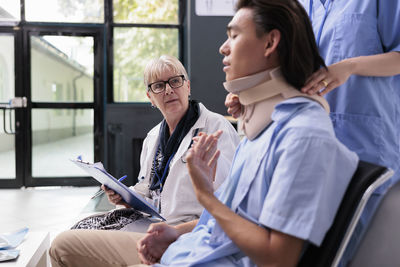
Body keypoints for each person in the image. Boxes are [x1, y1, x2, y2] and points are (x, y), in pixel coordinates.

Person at [49, 1, 358, 266]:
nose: (223, 47)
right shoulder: (261, 132)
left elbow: (278, 258)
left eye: (234, 35)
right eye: (158, 86)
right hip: (191, 245)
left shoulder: (303, 136)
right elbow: (227, 216)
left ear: (270, 42)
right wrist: (176, 233)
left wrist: (205, 196)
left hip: (208, 257)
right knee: (64, 243)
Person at [71, 55, 239, 232]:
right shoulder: (153, 137)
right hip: (155, 223)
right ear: (150, 97)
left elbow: (228, 199)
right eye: (158, 86)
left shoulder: (216, 128)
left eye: (175, 81)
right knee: (80, 229)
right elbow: (149, 191)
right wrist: (124, 197)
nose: (168, 90)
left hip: (193, 230)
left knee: (71, 243)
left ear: (187, 86)